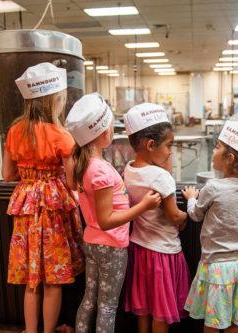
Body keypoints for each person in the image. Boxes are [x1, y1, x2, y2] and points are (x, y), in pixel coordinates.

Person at [65, 93, 162, 333]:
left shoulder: (83, 164)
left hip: (91, 242)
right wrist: (143, 206)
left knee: (89, 298)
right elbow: (106, 220)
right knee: (107, 306)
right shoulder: (101, 171)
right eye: (110, 125)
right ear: (101, 133)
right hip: (111, 246)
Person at [2, 62, 84, 333]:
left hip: (26, 206)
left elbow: (6, 173)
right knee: (53, 279)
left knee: (32, 278)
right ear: (55, 100)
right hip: (52, 208)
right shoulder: (62, 135)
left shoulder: (15, 131)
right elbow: (73, 182)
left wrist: (29, 176)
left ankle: (30, 330)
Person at [182, 121, 238, 333]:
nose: (214, 150)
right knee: (233, 322)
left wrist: (190, 198)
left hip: (217, 267)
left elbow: (195, 214)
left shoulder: (213, 187)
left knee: (212, 324)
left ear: (230, 159)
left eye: (217, 146)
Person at [123, 103, 190, 333]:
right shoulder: (161, 177)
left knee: (144, 308)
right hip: (163, 253)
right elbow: (173, 216)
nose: (171, 151)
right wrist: (187, 215)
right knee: (160, 313)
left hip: (140, 250)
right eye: (169, 145)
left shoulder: (129, 169)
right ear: (151, 145)